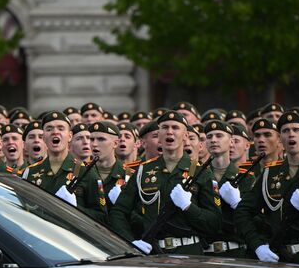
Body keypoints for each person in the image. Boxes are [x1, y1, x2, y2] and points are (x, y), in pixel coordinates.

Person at [110, 111, 221, 255]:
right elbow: (118, 212)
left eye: (175, 127)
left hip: (189, 252)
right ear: (159, 134)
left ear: (186, 136)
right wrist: (130, 242)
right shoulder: (143, 171)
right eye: (165, 127)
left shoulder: (201, 172)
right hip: (153, 251)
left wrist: (189, 207)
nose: (170, 132)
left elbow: (215, 222)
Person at [235, 111, 299, 267]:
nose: (291, 135)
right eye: (285, 131)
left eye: (296, 130)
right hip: (278, 257)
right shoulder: (270, 174)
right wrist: (257, 245)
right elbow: (243, 212)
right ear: (280, 139)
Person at [22, 111, 107, 224]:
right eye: (49, 129)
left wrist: (75, 208)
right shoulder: (30, 172)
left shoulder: (85, 172)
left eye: (61, 128)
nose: (55, 132)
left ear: (70, 136)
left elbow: (102, 218)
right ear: (43, 137)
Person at [203, 120, 253, 258]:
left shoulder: (247, 178)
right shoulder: (199, 177)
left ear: (231, 142)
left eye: (219, 136)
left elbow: (256, 220)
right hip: (204, 253)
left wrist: (238, 204)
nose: (213, 140)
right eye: (209, 137)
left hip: (236, 252)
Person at [89, 121, 125, 208]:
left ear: (115, 143)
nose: (94, 144)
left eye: (101, 139)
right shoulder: (81, 173)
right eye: (91, 139)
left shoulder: (129, 175)